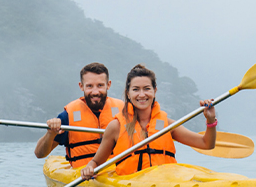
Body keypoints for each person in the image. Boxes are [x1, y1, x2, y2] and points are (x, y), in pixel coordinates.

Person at [80, 64, 216, 180]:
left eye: (146, 88)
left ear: (154, 91)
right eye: (135, 89)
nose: (141, 94)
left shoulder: (167, 125)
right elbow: (96, 162)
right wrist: (89, 168)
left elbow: (206, 144)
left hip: (165, 182)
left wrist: (210, 120)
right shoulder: (116, 126)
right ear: (128, 93)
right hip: (131, 186)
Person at [34, 62, 125, 168]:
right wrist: (50, 134)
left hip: (119, 175)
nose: (95, 92)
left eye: (100, 85)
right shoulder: (67, 116)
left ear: (108, 85)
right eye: (89, 86)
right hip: (84, 176)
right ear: (81, 86)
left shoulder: (124, 112)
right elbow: (39, 154)